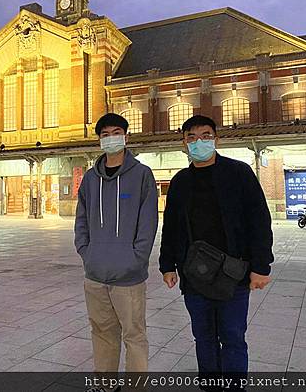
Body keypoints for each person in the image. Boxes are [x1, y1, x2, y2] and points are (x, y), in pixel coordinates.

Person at [159, 115, 274, 392]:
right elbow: (171, 226)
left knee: (233, 335)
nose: (199, 142)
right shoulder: (181, 181)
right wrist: (168, 265)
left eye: (206, 135)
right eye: (192, 137)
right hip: (194, 273)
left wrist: (261, 266)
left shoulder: (239, 173)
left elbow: (259, 220)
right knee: (204, 336)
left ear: (216, 139)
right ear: (184, 143)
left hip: (234, 272)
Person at [74, 112, 158, 383]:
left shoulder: (142, 175)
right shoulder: (89, 179)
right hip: (95, 274)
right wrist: (86, 252)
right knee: (101, 331)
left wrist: (136, 258)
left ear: (126, 136)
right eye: (104, 135)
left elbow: (148, 222)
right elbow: (81, 220)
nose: (110, 139)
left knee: (134, 334)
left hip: (128, 277)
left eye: (115, 133)